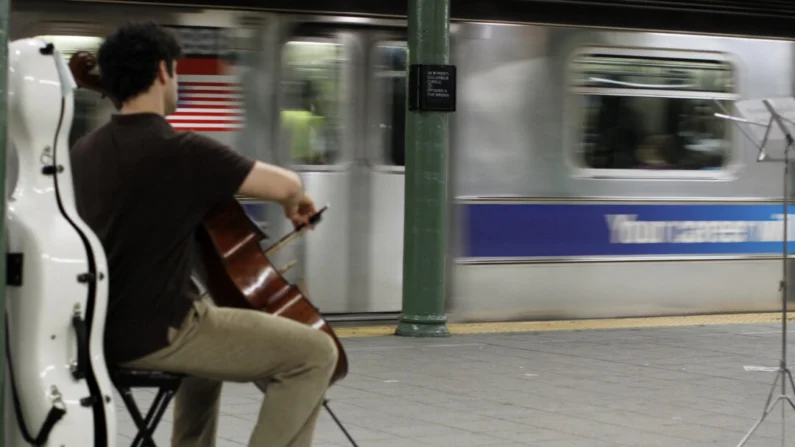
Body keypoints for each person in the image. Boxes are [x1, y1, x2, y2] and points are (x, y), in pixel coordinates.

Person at [69, 21, 339, 447]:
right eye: (175, 70)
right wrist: (295, 201)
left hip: (102, 330)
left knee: (204, 364)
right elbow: (286, 184)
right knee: (313, 355)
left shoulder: (84, 151)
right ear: (162, 71)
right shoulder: (181, 150)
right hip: (163, 330)